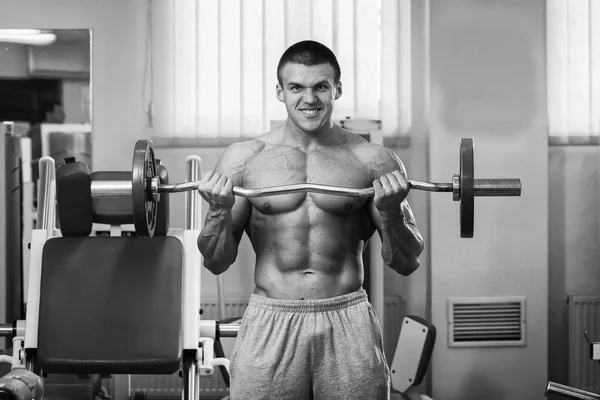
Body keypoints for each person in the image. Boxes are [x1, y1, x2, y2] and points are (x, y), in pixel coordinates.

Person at [197, 40, 424, 400]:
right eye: (296, 87)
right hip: (270, 318)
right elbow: (215, 261)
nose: (310, 98)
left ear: (337, 88)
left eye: (320, 86)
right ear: (279, 91)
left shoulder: (373, 159)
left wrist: (392, 211)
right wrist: (218, 210)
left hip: (347, 318)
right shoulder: (244, 159)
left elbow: (407, 261)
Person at [28, 101, 66, 181]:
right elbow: (31, 156)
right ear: (49, 114)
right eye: (59, 111)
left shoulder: (56, 132)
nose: (64, 115)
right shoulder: (39, 130)